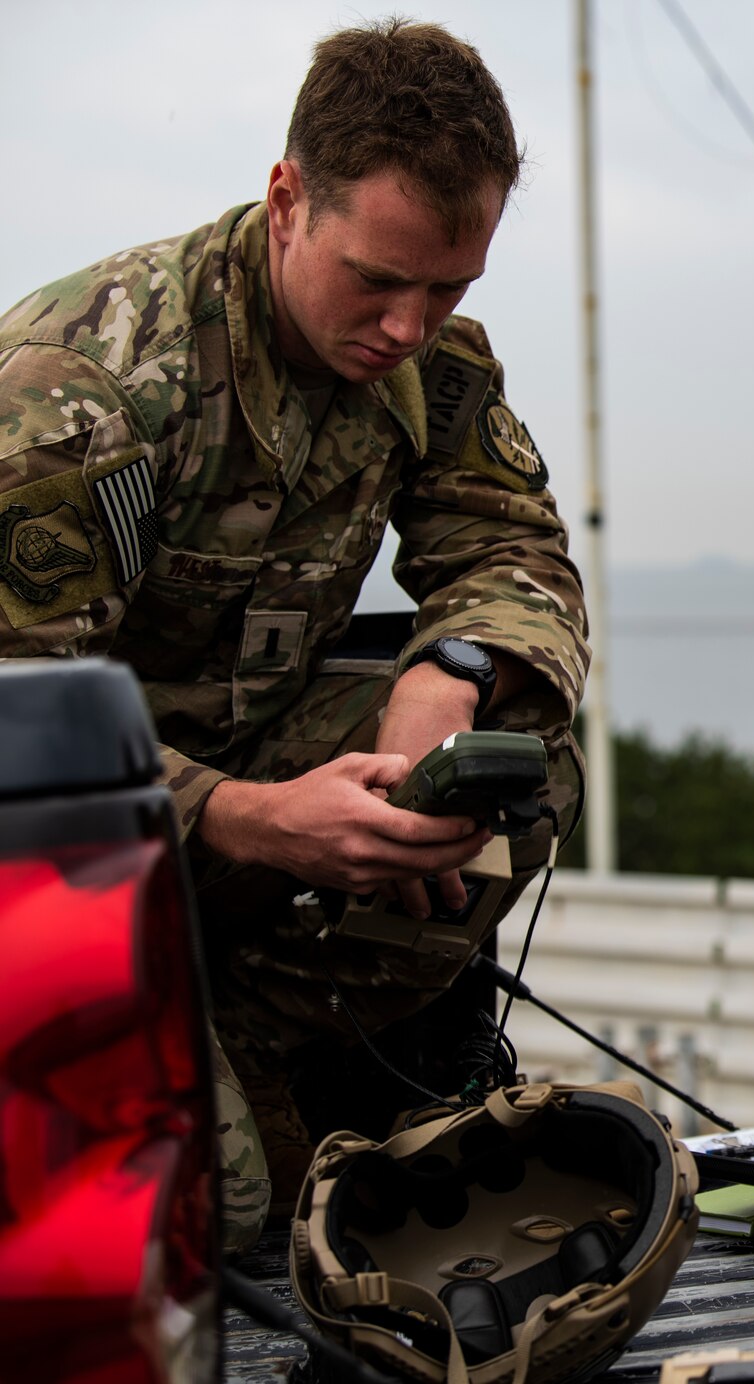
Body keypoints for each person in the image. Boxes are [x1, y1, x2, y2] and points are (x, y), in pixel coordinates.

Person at [0, 20, 587, 1253]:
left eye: (450, 288)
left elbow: (511, 551)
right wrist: (248, 817)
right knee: (211, 1217)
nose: (410, 326)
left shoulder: (427, 364)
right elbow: (18, 740)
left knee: (520, 759)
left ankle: (240, 1045)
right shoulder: (83, 393)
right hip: (57, 859)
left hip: (231, 830)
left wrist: (449, 678)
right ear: (286, 200)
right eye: (377, 280)